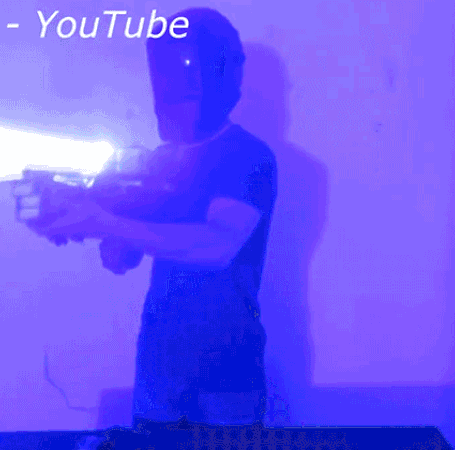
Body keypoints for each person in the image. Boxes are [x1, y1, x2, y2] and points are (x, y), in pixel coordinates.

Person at [38, 7, 277, 427]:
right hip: (160, 362)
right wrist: (88, 213)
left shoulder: (248, 156)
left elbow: (217, 247)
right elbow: (120, 259)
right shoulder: (162, 162)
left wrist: (104, 221)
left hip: (226, 363)